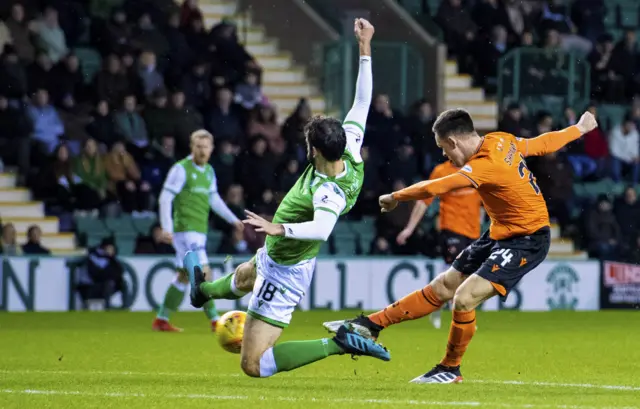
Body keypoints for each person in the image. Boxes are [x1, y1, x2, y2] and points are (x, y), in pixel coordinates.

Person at [324, 108, 598, 384]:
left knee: (464, 298)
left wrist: (396, 196)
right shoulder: (502, 140)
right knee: (443, 286)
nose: (445, 156)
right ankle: (370, 325)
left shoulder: (484, 164)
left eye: (444, 149)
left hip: (527, 239)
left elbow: (436, 187)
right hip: (497, 233)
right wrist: (580, 128)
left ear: (453, 142)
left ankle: (450, 368)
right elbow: (542, 143)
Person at [184, 18, 390, 378]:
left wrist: (279, 228)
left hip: (284, 272)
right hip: (280, 259)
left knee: (253, 365)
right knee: (246, 274)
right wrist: (364, 47)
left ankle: (339, 342)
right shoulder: (352, 149)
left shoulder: (327, 190)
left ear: (315, 151)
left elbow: (323, 229)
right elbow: (362, 100)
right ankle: (202, 291)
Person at [152, 130, 244, 332]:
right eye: (198, 147)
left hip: (199, 230)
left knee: (184, 277)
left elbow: (214, 200)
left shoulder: (209, 171)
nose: (202, 151)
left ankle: (161, 319)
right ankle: (215, 321)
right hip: (184, 230)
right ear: (192, 147)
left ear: (212, 149)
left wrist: (233, 220)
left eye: (206, 147)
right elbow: (165, 198)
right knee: (202, 273)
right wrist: (167, 227)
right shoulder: (181, 169)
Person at [395, 160, 483, 329]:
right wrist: (409, 228)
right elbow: (423, 201)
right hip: (451, 229)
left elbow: (488, 197)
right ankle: (460, 316)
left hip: (474, 232)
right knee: (455, 274)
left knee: (467, 276)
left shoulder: (478, 168)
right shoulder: (441, 171)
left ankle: (438, 305)